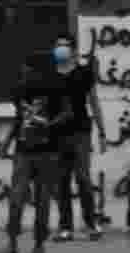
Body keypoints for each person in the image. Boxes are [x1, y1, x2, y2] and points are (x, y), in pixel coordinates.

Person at [0, 58, 72, 253]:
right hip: (23, 151)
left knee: (42, 200)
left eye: (28, 72)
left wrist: (49, 124)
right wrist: (6, 142)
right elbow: (18, 118)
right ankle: (12, 244)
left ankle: (39, 245)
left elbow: (68, 113)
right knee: (16, 198)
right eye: (23, 73)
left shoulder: (56, 88)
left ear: (38, 73)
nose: (24, 76)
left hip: (48, 152)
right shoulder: (19, 90)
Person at [53, 32, 106, 242]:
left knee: (83, 177)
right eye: (57, 45)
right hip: (58, 134)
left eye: (64, 45)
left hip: (81, 132)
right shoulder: (50, 75)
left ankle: (91, 224)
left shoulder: (84, 73)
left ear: (73, 50)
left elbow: (94, 102)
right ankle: (65, 227)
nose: (60, 49)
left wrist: (102, 132)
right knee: (61, 180)